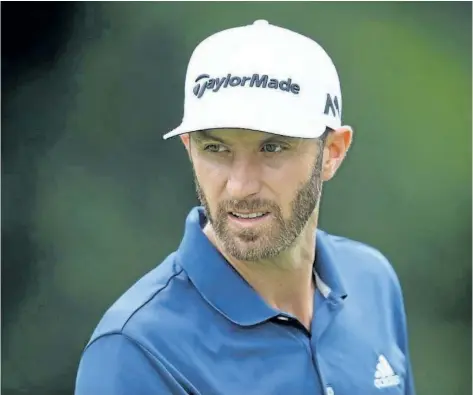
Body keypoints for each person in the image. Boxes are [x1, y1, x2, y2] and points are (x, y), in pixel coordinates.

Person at [75, 20, 416, 395]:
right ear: (189, 148)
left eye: (272, 148)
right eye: (216, 148)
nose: (240, 186)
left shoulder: (373, 281)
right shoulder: (135, 351)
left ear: (332, 153)